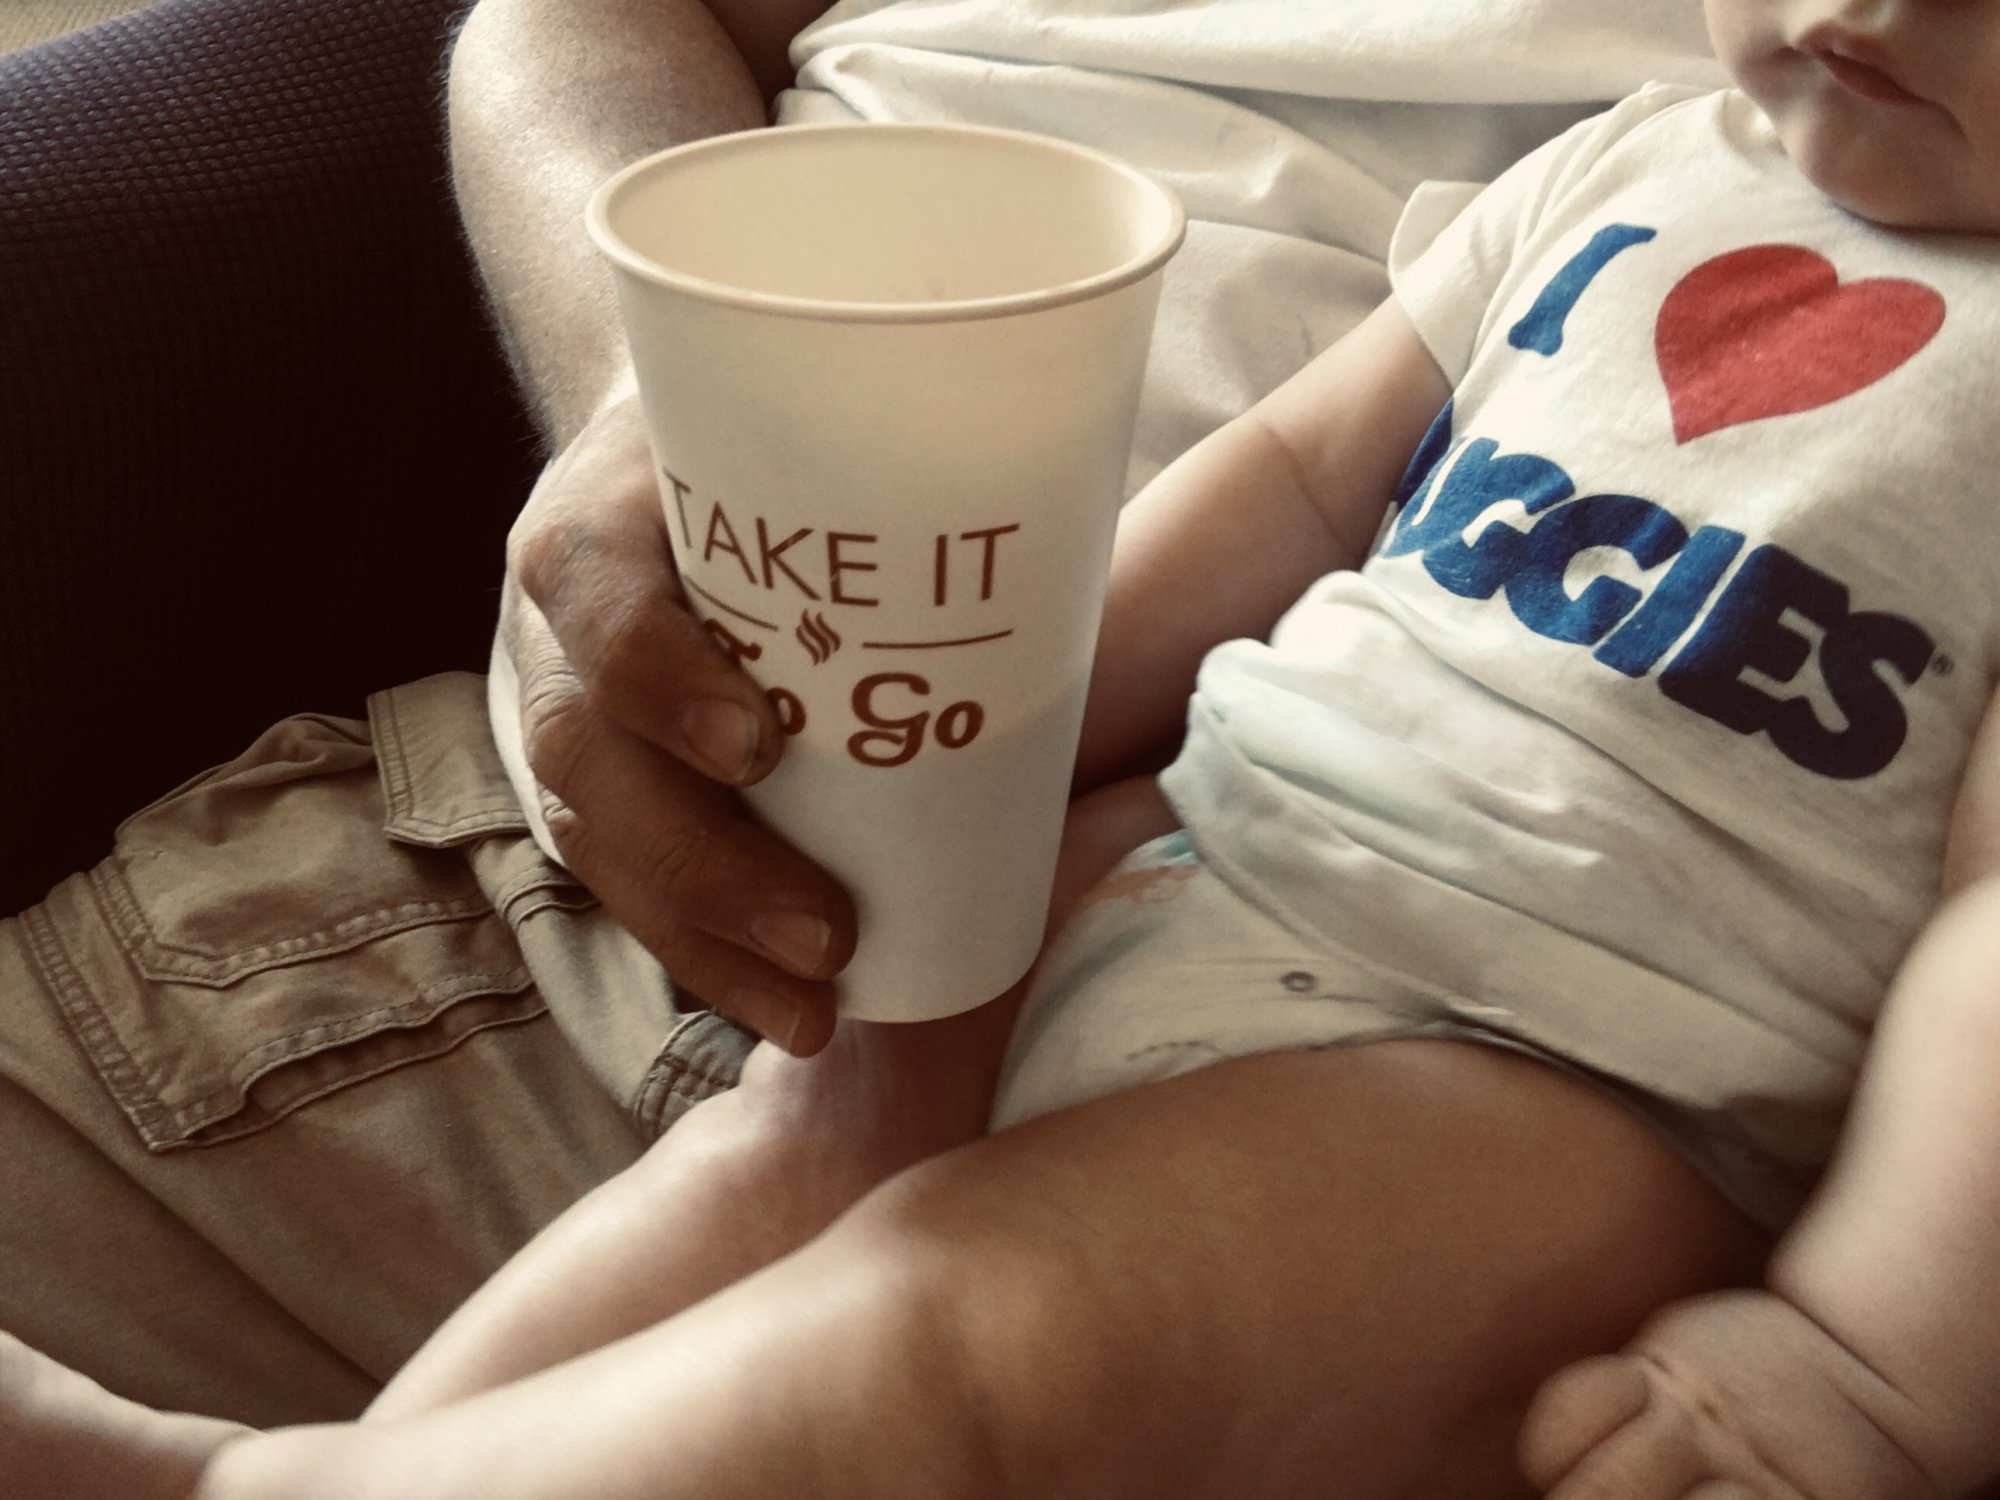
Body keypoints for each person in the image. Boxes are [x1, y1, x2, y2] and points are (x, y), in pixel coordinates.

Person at [13, 0, 2000, 1495]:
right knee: (775, 1160)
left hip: (1563, 1069)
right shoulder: (1634, 158)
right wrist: (962, 756)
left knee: (971, 1337)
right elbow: (1301, 482)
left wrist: (1858, 1368)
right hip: (1195, 856)